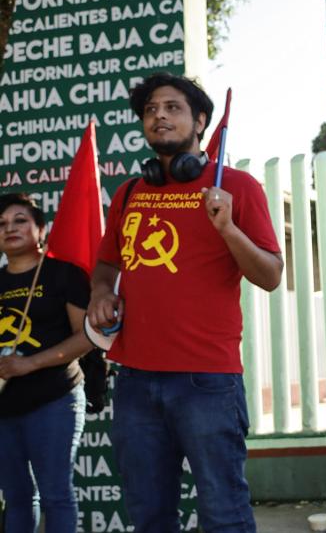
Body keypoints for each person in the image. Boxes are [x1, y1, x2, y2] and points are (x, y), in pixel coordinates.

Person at [86, 73, 283, 532]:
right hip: (134, 381)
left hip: (206, 382)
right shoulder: (130, 193)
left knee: (224, 513)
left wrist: (228, 228)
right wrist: (99, 294)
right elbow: (106, 269)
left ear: (200, 121)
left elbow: (271, 276)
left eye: (172, 107)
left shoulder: (237, 188)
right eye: (150, 110)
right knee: (149, 516)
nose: (159, 116)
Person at [0, 193, 93, 532]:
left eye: (20, 220)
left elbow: (87, 337)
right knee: (17, 497)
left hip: (55, 399)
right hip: (5, 408)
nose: (10, 228)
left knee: (56, 495)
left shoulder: (62, 275)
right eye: (2, 224)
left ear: (41, 229)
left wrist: (31, 364)